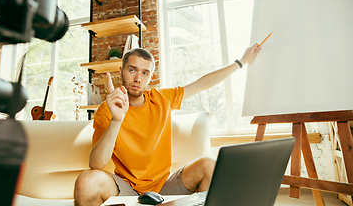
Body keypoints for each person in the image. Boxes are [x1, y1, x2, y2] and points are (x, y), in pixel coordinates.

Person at [74, 43, 261, 206]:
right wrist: (116, 120)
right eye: (132, 70)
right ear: (122, 70)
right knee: (86, 181)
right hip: (126, 187)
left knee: (210, 165)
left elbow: (202, 84)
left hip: (164, 186)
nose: (138, 78)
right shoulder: (106, 110)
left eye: (145, 72)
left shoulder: (161, 99)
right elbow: (96, 164)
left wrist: (241, 62)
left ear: (150, 77)